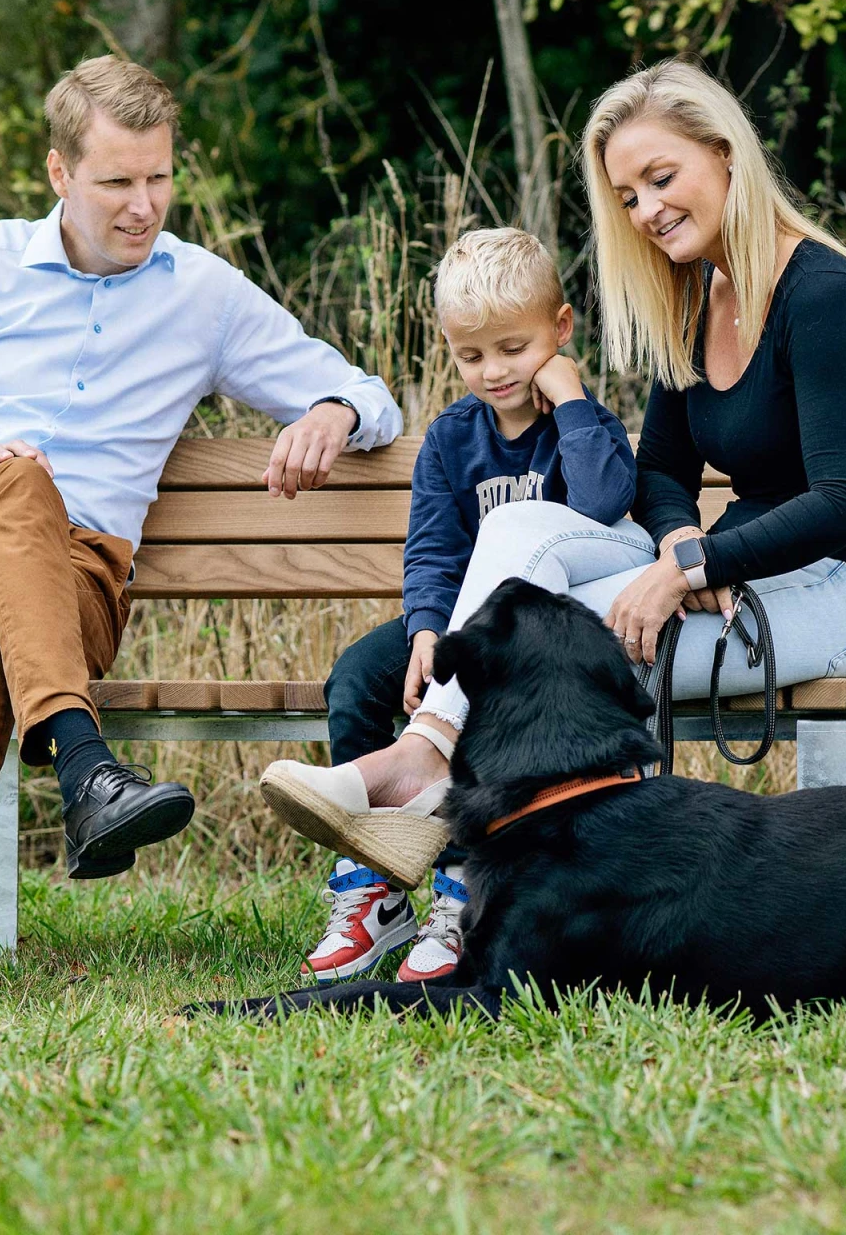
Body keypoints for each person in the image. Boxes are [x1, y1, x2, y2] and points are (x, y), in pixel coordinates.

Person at [259, 57, 846, 885]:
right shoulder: (690, 297)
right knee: (515, 530)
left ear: (725, 153)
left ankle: (450, 840)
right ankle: (426, 754)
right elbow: (661, 471)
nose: (647, 211)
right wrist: (683, 539)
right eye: (627, 198)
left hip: (845, 589)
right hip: (742, 566)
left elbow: (844, 501)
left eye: (660, 178)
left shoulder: (823, 295)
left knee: (547, 654)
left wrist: (689, 567)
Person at [0, 56, 402, 1005]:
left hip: (72, 591)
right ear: (59, 174)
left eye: (160, 178)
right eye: (117, 182)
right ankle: (86, 764)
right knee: (17, 487)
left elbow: (368, 391)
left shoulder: (205, 295)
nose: (144, 206)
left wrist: (333, 417)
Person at [266, 228, 636, 983]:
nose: (494, 372)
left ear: (561, 331)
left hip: (533, 644)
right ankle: (370, 879)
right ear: (448, 347)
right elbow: (432, 548)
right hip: (452, 625)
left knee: (491, 707)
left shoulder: (585, 430)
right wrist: (427, 628)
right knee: (357, 677)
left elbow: (604, 502)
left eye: (514, 347)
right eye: (472, 356)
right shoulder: (450, 437)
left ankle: (460, 890)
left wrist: (569, 397)